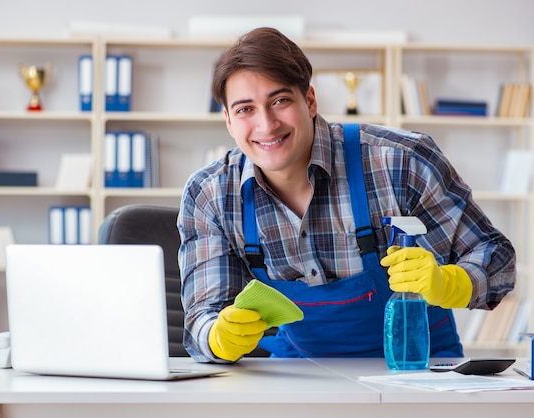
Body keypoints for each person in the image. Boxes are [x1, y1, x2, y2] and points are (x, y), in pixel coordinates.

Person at [177, 27, 516, 363]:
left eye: (279, 101)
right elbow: (201, 318)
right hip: (302, 373)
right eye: (245, 109)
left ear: (309, 100)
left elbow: (497, 260)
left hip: (418, 368)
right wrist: (218, 336)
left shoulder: (400, 160)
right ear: (228, 121)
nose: (266, 125)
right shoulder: (211, 194)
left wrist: (450, 282)